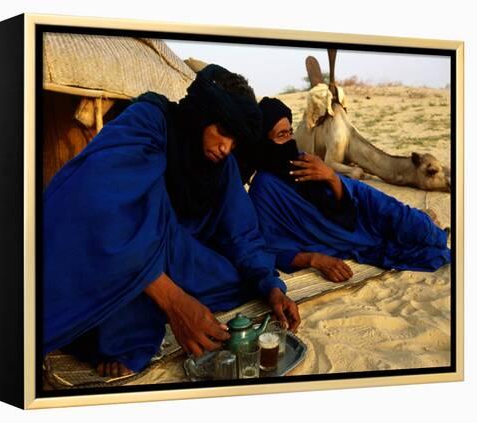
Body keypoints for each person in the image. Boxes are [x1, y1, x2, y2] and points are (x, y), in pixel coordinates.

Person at [42, 66, 300, 379]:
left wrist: (271, 285)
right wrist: (174, 301)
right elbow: (94, 206)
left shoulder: (222, 165)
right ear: (202, 115)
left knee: (242, 280)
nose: (226, 148)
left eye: (235, 142)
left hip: (176, 254)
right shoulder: (148, 123)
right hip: (119, 248)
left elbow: (242, 232)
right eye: (223, 133)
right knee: (115, 302)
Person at [247, 97, 451, 283]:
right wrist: (315, 259)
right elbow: (268, 247)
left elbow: (347, 201)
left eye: (290, 132)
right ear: (265, 141)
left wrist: (330, 177)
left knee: (421, 230)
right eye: (281, 135)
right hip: (346, 237)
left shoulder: (303, 160)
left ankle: (432, 229)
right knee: (430, 253)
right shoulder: (264, 188)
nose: (290, 140)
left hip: (362, 210)